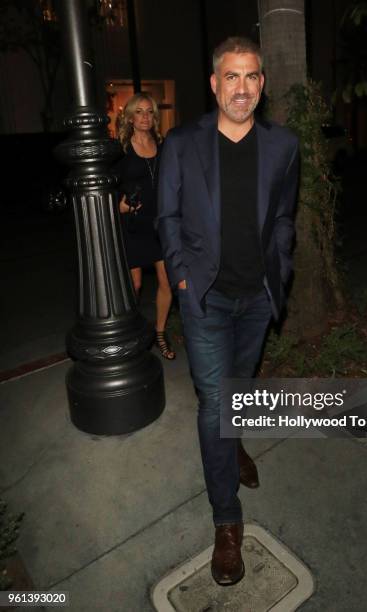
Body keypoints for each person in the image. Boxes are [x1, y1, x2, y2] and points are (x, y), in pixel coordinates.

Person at [158, 37, 299, 584]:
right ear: (214, 84)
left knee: (238, 388)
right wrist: (185, 276)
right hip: (206, 297)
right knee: (216, 402)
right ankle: (226, 521)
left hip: (257, 297)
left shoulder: (283, 145)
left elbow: (284, 216)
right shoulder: (182, 142)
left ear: (261, 86)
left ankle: (233, 442)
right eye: (231, 77)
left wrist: (281, 268)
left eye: (252, 78)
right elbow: (167, 217)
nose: (242, 88)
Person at [115, 93, 175, 359]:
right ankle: (131, 333)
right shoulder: (120, 148)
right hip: (133, 226)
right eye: (139, 112)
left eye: (149, 112)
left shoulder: (162, 144)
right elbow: (108, 189)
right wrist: (121, 206)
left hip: (159, 223)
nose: (145, 117)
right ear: (129, 116)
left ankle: (160, 333)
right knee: (135, 284)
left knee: (167, 281)